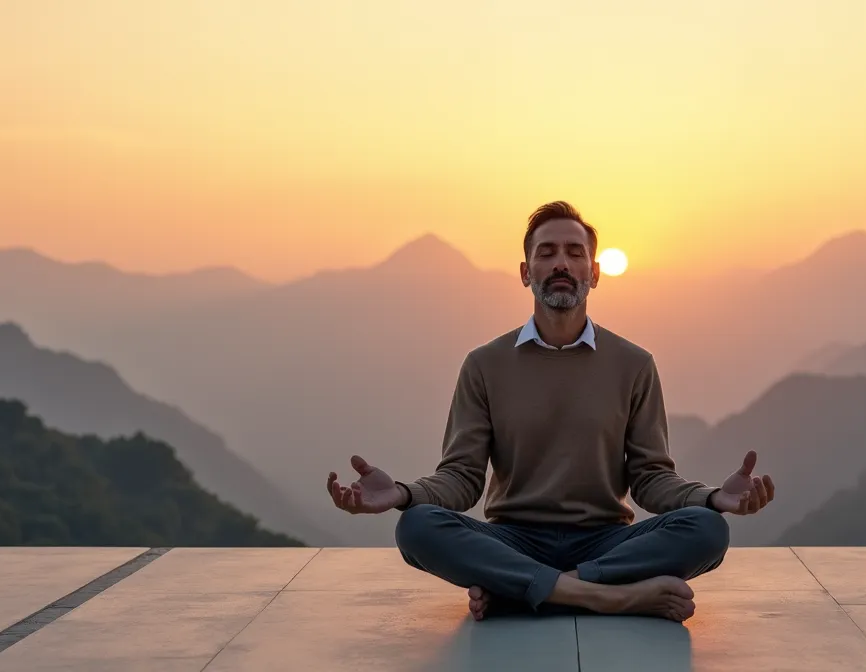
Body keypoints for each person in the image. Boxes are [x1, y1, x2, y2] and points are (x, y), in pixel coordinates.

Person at [327, 201, 774, 622]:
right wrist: (403, 494)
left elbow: (651, 478)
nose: (561, 263)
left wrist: (713, 498)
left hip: (605, 540)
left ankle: (531, 592)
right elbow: (461, 479)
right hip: (512, 540)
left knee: (707, 529)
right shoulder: (485, 364)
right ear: (526, 272)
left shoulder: (634, 364)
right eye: (547, 253)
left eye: (574, 253)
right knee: (417, 528)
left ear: (594, 273)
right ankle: (610, 596)